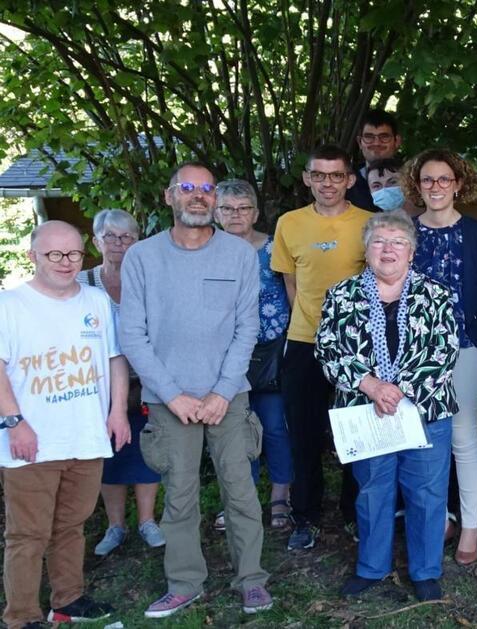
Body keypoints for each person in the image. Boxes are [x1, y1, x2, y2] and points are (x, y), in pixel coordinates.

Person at [120, 162, 271, 618]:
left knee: (240, 493)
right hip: (169, 401)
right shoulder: (142, 257)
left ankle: (252, 581)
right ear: (169, 197)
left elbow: (249, 326)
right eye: (188, 188)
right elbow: (132, 334)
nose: (198, 196)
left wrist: (223, 391)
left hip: (229, 396)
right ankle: (185, 582)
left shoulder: (239, 254)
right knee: (180, 496)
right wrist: (173, 394)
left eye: (206, 189)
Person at [314, 211, 459, 602]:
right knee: (372, 491)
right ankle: (372, 568)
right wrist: (372, 386)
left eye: (398, 242)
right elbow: (328, 349)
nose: (388, 249)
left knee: (427, 494)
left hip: (425, 410)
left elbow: (444, 351)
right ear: (366, 250)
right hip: (364, 411)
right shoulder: (342, 295)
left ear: (411, 252)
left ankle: (426, 571)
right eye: (379, 241)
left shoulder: (437, 294)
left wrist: (399, 390)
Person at [0, 221, 129, 628]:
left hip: (85, 435)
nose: (66, 262)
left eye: (73, 253)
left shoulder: (95, 302)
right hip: (32, 441)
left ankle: (68, 598)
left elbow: (115, 359)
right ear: (33, 256)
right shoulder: (10, 305)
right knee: (28, 535)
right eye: (54, 254)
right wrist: (15, 422)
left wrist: (118, 410)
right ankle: (21, 616)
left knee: (71, 526)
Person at [271, 144, 373, 550]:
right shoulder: (289, 223)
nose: (327, 183)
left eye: (336, 176)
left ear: (350, 179)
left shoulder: (369, 223)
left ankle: (354, 513)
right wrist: (316, 328)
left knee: (356, 434)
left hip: (358, 348)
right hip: (304, 342)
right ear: (307, 178)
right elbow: (290, 283)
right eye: (319, 175)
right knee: (305, 435)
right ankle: (306, 517)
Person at [401, 149, 477, 565]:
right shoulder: (405, 230)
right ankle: (438, 518)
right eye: (428, 180)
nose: (436, 187)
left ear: (459, 184)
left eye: (444, 180)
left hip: (462, 348)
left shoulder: (475, 232)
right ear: (417, 185)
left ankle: (471, 527)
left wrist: (473, 337)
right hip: (414, 355)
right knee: (423, 438)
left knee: (462, 436)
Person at [76, 210, 166, 556]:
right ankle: (115, 526)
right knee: (108, 453)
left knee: (146, 449)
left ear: (137, 240)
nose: (118, 244)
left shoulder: (147, 280)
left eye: (126, 237)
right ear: (96, 241)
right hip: (97, 384)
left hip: (144, 381)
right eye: (110, 236)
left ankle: (147, 520)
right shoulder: (82, 282)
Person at [214, 180, 293, 529]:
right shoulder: (207, 252)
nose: (236, 215)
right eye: (228, 208)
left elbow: (293, 293)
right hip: (224, 357)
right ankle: (238, 501)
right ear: (216, 213)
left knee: (275, 427)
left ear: (256, 213)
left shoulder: (274, 248)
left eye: (243, 208)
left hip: (272, 351)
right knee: (234, 432)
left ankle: (281, 497)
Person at [350, 109, 404, 211]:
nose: (376, 143)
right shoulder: (347, 182)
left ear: (397, 141)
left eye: (384, 137)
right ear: (360, 142)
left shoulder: (413, 178)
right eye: (369, 137)